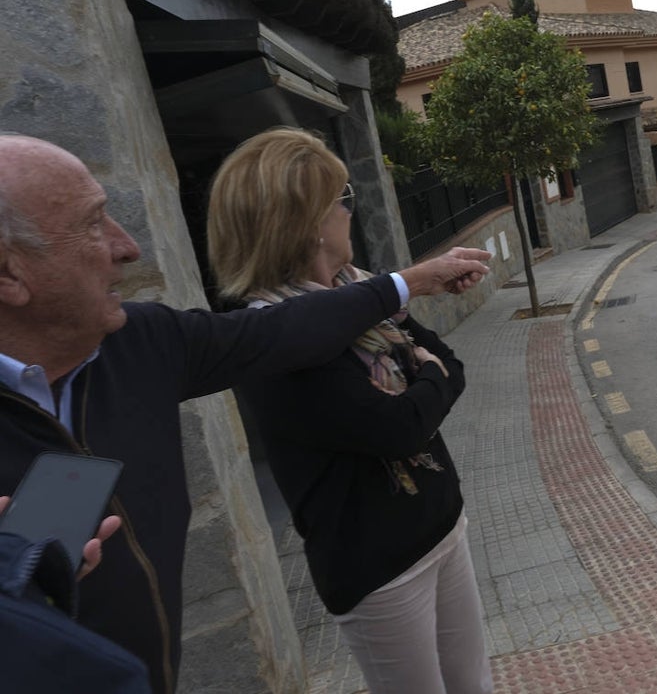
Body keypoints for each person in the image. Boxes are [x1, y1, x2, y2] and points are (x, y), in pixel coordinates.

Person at [0, 132, 491, 694]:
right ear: (8, 274)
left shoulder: (136, 346)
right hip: (378, 567)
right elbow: (399, 425)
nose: (128, 246)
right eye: (92, 224)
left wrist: (408, 283)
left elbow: (286, 330)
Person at [206, 128, 493, 694]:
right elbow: (398, 427)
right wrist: (426, 373)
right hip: (379, 568)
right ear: (311, 221)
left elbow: (452, 365)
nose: (350, 214)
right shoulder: (271, 337)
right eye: (343, 200)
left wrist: (429, 374)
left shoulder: (359, 291)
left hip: (441, 527)